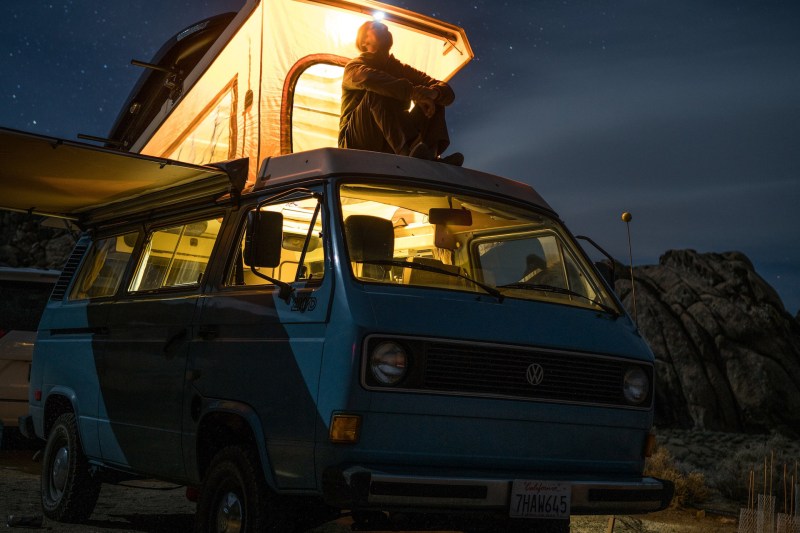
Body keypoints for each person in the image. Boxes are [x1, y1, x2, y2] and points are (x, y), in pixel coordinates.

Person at [338, 20, 464, 166]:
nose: (384, 27)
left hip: (391, 141)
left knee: (434, 98)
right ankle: (410, 151)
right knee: (379, 89)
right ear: (364, 41)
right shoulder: (354, 67)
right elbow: (368, 78)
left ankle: (431, 156)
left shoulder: (400, 69)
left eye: (384, 26)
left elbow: (447, 91)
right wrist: (413, 92)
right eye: (376, 27)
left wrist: (433, 93)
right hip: (355, 144)